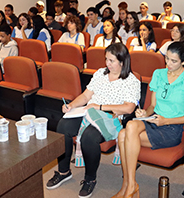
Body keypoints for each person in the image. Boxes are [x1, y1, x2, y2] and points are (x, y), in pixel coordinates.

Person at [46, 43, 140, 198]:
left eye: (111, 61)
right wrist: (71, 105)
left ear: (122, 62)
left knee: (89, 137)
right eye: (106, 59)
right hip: (89, 113)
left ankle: (90, 179)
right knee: (63, 126)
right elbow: (85, 96)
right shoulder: (100, 74)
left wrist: (100, 106)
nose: (107, 64)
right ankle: (64, 171)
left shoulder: (131, 81)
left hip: (110, 118)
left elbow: (129, 108)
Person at [113, 42, 184, 198]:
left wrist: (166, 121)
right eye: (167, 59)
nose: (168, 64)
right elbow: (152, 105)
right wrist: (143, 113)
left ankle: (129, 186)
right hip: (152, 120)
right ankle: (129, 185)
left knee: (124, 135)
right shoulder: (158, 74)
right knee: (129, 127)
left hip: (171, 128)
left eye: (174, 61)